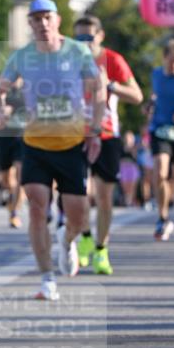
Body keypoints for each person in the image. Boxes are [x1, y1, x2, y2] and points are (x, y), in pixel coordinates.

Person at [0, 0, 105, 302]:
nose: (42, 23)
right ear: (30, 23)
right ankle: (47, 279)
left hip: (71, 145)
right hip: (36, 144)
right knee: (38, 206)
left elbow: (98, 87)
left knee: (79, 217)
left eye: (47, 17)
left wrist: (95, 130)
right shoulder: (22, 57)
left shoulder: (78, 52)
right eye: (36, 18)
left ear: (57, 19)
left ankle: (68, 240)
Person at [72, 14, 143, 274]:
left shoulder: (113, 60)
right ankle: (86, 237)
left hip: (106, 134)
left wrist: (111, 86)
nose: (84, 42)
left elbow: (137, 95)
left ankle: (101, 249)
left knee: (103, 197)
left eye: (89, 37)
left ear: (100, 36)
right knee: (79, 194)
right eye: (79, 37)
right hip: (76, 134)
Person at [149, 37, 174, 241]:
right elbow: (155, 96)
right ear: (164, 58)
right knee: (160, 170)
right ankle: (162, 216)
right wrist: (150, 106)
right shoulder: (156, 75)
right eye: (172, 60)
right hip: (160, 129)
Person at [0, 74, 26, 228]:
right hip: (4, 137)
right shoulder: (1, 88)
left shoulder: (30, 89)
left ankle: (15, 212)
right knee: (7, 180)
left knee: (20, 174)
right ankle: (12, 197)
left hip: (22, 136)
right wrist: (1, 110)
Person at [119, 131, 141, 207]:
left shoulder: (134, 147)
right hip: (123, 168)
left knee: (132, 186)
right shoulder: (121, 147)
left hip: (132, 167)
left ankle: (131, 201)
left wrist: (132, 149)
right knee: (125, 186)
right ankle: (127, 200)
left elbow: (135, 158)